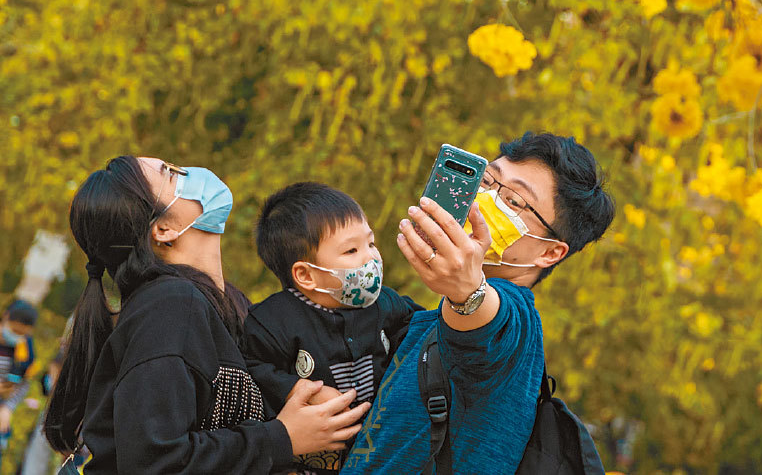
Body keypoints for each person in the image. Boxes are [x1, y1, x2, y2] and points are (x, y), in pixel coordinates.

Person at [42, 156, 370, 474]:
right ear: (164, 229)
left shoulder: (227, 304)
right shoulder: (167, 308)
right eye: (171, 173)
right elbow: (153, 462)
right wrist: (282, 438)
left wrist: (289, 392)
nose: (191, 173)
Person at [341, 131, 616, 475]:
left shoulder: (518, 327)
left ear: (550, 252)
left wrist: (468, 292)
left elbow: (489, 320)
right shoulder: (425, 321)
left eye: (513, 201)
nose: (485, 199)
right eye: (486, 181)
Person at [241, 182, 421, 474]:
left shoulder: (385, 303)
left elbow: (420, 329)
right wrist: (296, 389)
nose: (371, 258)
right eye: (351, 250)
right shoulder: (273, 321)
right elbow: (250, 365)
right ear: (305, 275)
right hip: (311, 461)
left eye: (371, 243)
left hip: (381, 454)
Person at [0, 298, 38, 469]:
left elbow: (24, 383)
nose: (16, 336)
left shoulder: (26, 353)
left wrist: (8, 407)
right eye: (14, 330)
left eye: (21, 333)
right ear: (6, 318)